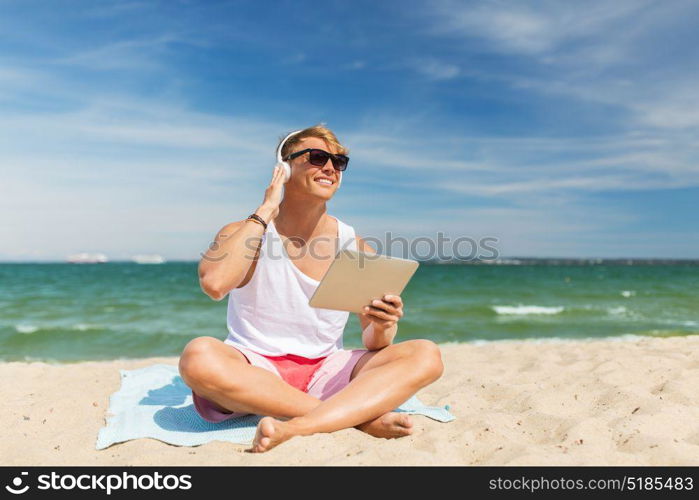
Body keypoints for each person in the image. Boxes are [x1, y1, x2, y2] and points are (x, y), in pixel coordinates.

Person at [178, 124, 444, 453]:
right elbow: (215, 285)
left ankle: (304, 423)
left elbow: (373, 343)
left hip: (327, 370)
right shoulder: (244, 231)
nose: (330, 167)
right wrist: (266, 209)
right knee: (198, 356)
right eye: (317, 157)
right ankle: (357, 419)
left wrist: (384, 323)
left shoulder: (353, 244)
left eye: (339, 161)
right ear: (284, 168)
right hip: (256, 370)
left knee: (425, 354)